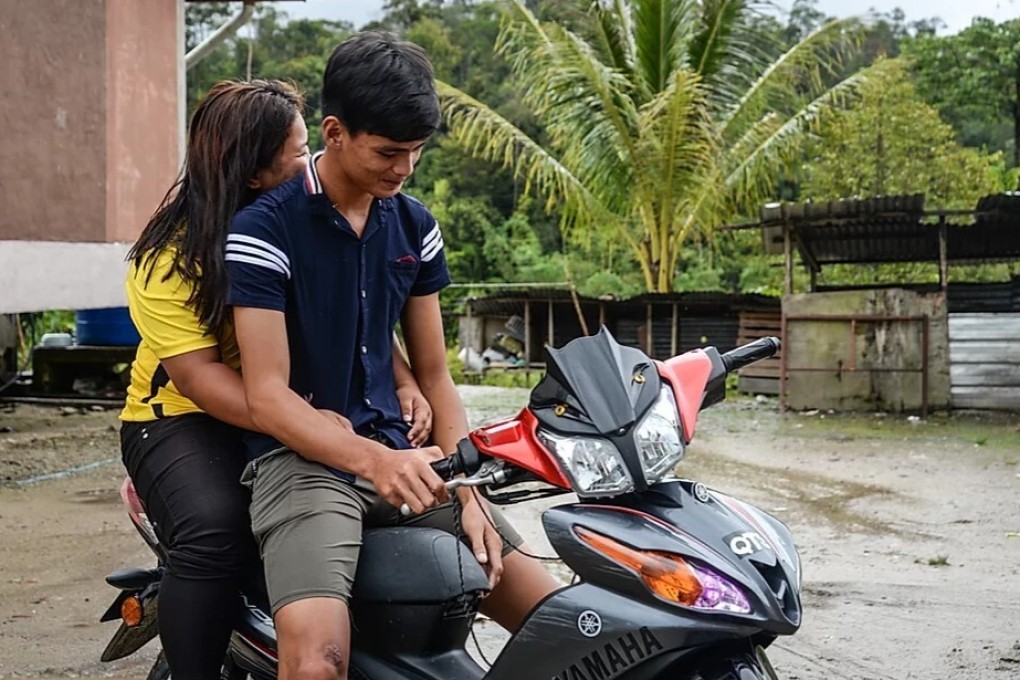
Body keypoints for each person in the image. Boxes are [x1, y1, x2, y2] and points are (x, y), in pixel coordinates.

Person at [226, 32, 561, 680]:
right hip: (304, 466)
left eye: (415, 152)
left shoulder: (413, 225)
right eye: (388, 151)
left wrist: (468, 487)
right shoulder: (263, 230)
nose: (404, 168)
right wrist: (374, 460)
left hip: (410, 462)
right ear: (334, 132)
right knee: (318, 661)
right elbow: (267, 394)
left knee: (556, 615)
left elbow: (435, 374)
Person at [120, 79, 432, 680]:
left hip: (288, 400)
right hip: (183, 419)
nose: (310, 157)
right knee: (216, 533)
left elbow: (360, 313)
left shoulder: (310, 222)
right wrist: (309, 422)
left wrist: (404, 379)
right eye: (296, 150)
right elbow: (202, 377)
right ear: (254, 173)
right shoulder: (169, 259)